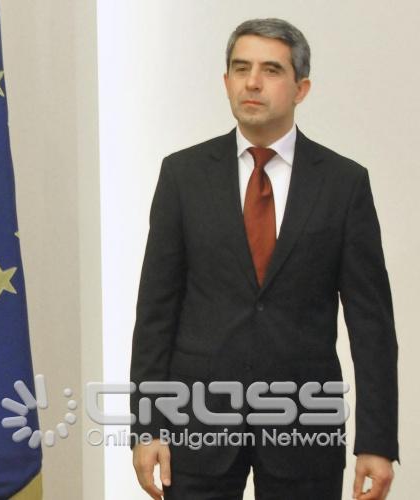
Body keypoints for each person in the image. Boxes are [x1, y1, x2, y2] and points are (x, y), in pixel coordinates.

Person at [129, 18, 398, 500]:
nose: (252, 82)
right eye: (241, 68)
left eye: (271, 70)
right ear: (226, 81)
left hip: (305, 428)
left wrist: (376, 442)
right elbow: (155, 313)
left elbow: (372, 326)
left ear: (301, 88)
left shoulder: (344, 184)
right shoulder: (183, 176)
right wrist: (148, 426)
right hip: (198, 427)